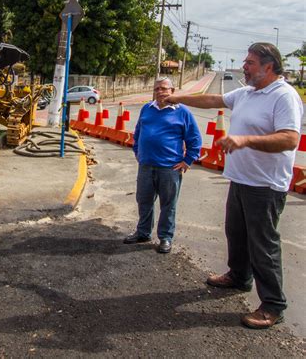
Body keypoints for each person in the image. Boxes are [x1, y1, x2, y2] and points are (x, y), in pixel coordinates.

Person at [165, 42, 303, 329]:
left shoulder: (284, 96)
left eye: (250, 62)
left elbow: (290, 139)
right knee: (236, 233)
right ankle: (239, 276)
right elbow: (213, 100)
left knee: (263, 245)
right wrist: (177, 97)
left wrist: (245, 140)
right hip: (241, 179)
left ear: (268, 66)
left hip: (265, 185)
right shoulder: (248, 92)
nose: (244, 66)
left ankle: (273, 305)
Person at [124, 77, 202, 253]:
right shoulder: (147, 108)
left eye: (164, 88)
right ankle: (143, 232)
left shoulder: (182, 112)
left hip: (169, 168)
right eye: (157, 88)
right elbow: (138, 132)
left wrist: (187, 160)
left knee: (168, 204)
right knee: (144, 201)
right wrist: (137, 151)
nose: (160, 92)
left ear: (172, 91)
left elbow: (195, 139)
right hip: (145, 165)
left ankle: (165, 237)